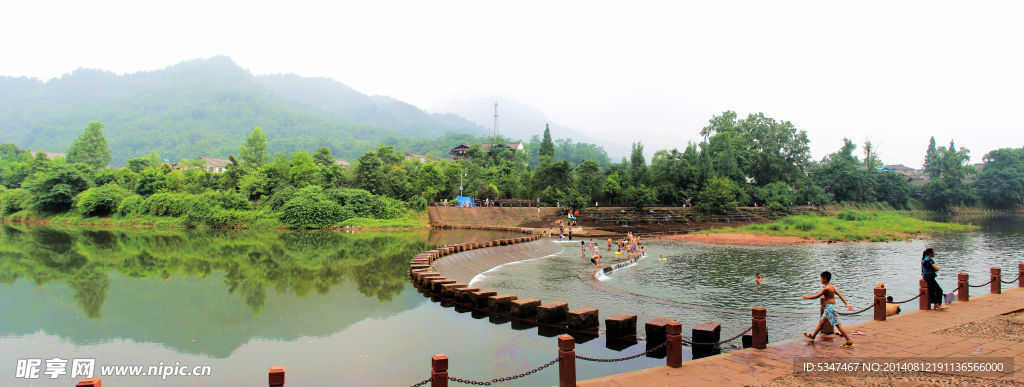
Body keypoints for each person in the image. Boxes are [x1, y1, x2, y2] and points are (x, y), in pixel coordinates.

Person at [802, 271, 856, 348]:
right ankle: (813, 336)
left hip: (830, 308)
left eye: (821, 278)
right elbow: (839, 294)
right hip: (829, 308)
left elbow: (816, 296)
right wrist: (846, 304)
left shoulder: (826, 289)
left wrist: (806, 297)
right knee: (821, 322)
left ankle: (849, 341)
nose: (820, 280)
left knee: (838, 324)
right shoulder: (831, 286)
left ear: (825, 279)